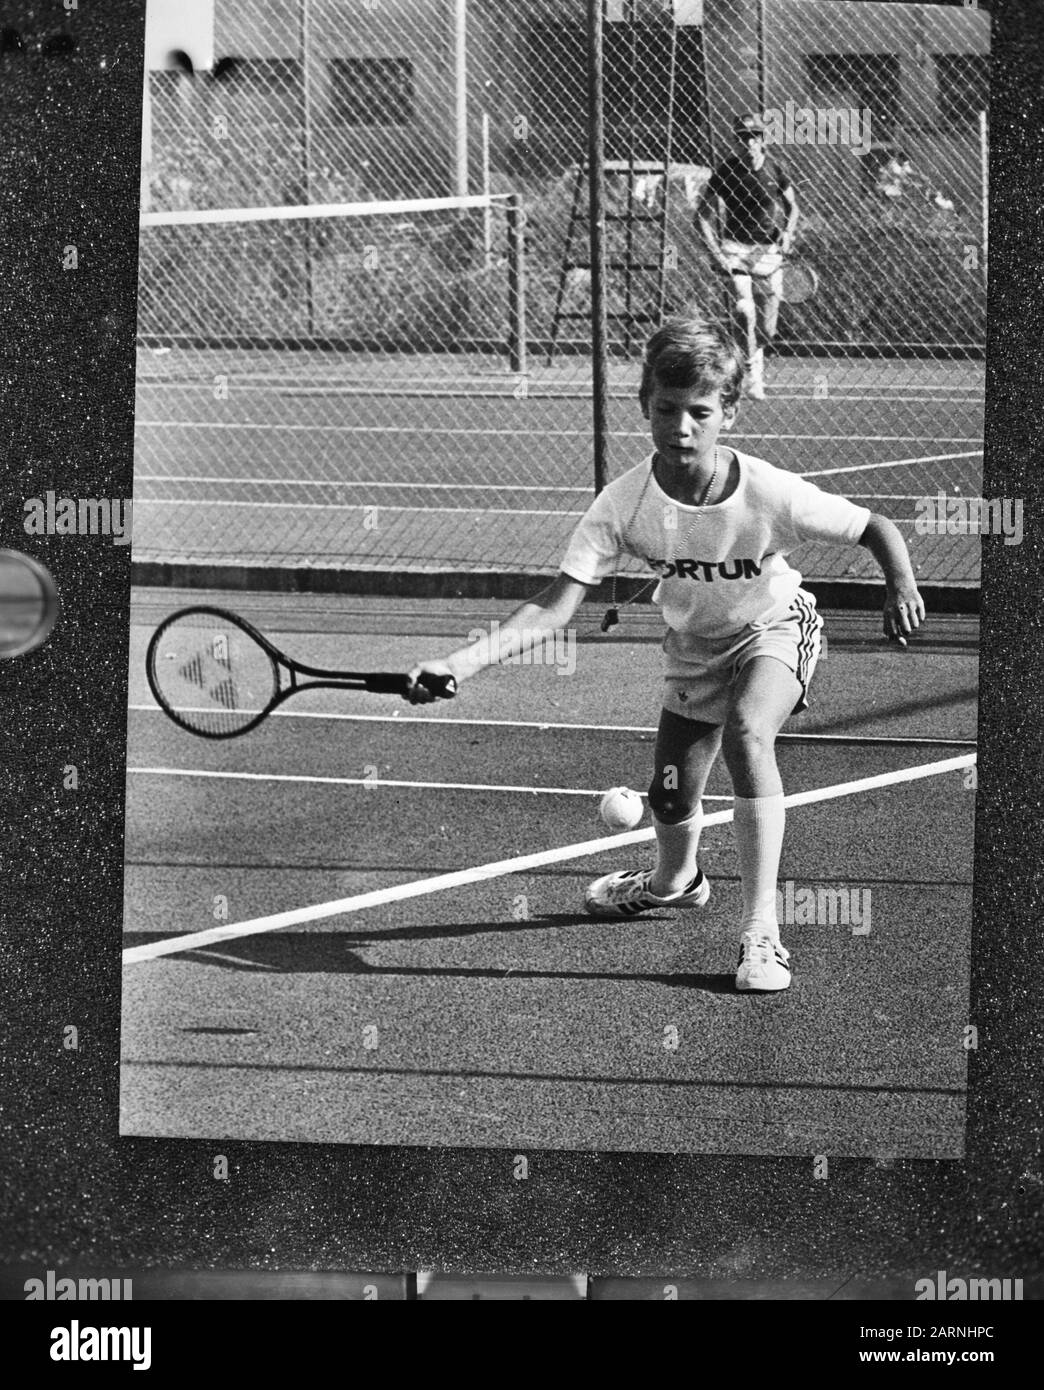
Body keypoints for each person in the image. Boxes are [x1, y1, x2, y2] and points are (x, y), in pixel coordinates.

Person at [405, 316, 924, 992]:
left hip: (775, 626)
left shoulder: (767, 492)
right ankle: (675, 882)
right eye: (666, 408)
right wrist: (460, 662)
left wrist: (902, 582)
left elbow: (874, 527)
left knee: (747, 734)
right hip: (693, 649)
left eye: (699, 412)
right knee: (671, 796)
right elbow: (556, 604)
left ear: (728, 413)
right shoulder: (624, 504)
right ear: (645, 403)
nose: (681, 426)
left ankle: (761, 933)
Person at [695, 113, 799, 399]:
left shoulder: (776, 169)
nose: (747, 142)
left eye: (753, 136)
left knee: (767, 330)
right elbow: (701, 217)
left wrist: (788, 233)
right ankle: (752, 379)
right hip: (735, 250)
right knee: (743, 311)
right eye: (741, 137)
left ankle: (752, 357)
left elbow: (793, 208)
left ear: (762, 140)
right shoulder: (725, 172)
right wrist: (716, 253)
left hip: (767, 252)